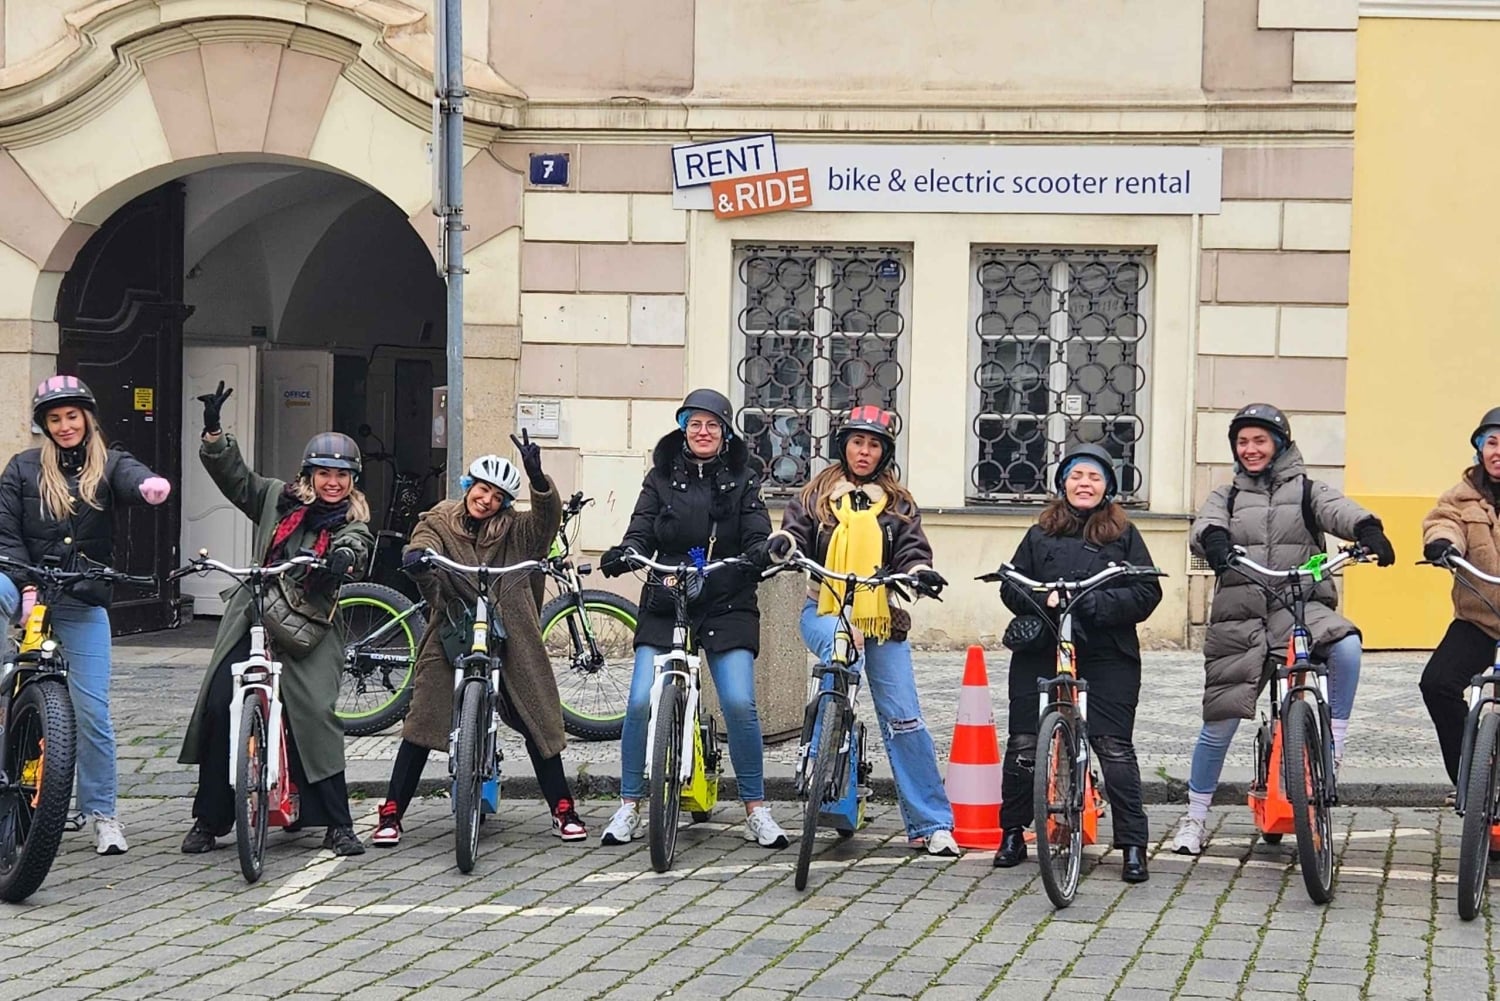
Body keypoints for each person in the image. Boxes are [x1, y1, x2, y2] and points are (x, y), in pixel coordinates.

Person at [1172, 403, 1395, 856]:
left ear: (1280, 443)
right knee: (1221, 720)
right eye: (1242, 442)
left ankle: (1333, 741)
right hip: (1241, 615)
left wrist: (1368, 529)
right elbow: (1205, 526)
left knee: (1347, 646)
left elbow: (1339, 510)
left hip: (1302, 606)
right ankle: (1194, 818)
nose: (1250, 449)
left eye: (1259, 440)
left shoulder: (1309, 490)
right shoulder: (1227, 495)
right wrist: (1214, 541)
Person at [178, 382, 371, 857]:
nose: (333, 483)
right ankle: (210, 819)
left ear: (352, 482)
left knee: (316, 710)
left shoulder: (352, 519)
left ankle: (338, 824)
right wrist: (214, 432)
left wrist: (343, 559)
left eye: (342, 476)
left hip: (311, 625)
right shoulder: (275, 498)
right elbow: (235, 478)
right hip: (256, 613)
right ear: (309, 474)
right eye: (324, 473)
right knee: (223, 698)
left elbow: (358, 546)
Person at [370, 436, 587, 846]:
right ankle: (392, 812)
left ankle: (563, 808)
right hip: (454, 626)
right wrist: (417, 560)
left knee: (538, 715)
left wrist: (538, 478)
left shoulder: (518, 530)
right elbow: (423, 543)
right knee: (423, 716)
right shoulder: (440, 518)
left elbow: (547, 519)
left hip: (512, 633)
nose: (486, 500)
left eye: (497, 496)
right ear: (469, 486)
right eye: (482, 489)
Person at [767, 405, 961, 858]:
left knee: (904, 716)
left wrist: (920, 572)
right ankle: (823, 776)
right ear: (844, 445)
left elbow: (913, 550)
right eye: (857, 442)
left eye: (874, 444)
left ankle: (931, 823)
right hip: (823, 608)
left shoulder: (899, 504)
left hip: (880, 618)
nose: (864, 451)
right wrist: (784, 545)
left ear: (884, 452)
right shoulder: (814, 495)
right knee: (841, 654)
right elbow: (793, 533)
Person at [597, 388, 788, 849]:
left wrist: (760, 553)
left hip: (727, 595)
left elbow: (757, 530)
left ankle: (756, 808)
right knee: (641, 700)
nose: (703, 432)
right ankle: (629, 805)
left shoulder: (745, 477)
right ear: (684, 428)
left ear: (724, 433)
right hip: (669, 592)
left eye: (713, 425)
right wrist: (628, 553)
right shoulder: (660, 476)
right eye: (694, 423)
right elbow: (641, 528)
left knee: (740, 703)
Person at [0, 375, 172, 855]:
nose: (64, 425)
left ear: (86, 418)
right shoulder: (22, 468)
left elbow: (131, 476)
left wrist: (149, 486)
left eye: (71, 416)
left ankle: (101, 814)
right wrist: (25, 587)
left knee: (93, 712)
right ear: (44, 425)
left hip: (80, 596)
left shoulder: (107, 462)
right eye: (54, 419)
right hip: (24, 587)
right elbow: (6, 534)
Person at [988, 444, 1162, 881]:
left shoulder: (1124, 534)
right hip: (1043, 647)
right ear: (1063, 483)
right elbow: (1011, 586)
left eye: (1095, 477)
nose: (1085, 484)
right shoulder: (1040, 533)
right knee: (1025, 742)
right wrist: (1042, 596)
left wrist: (1092, 604)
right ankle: (1012, 831)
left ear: (1108, 488)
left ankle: (1133, 845)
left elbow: (1146, 593)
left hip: (1106, 652)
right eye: (1077, 475)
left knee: (1114, 746)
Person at [1420, 408, 1500, 796]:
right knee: (1437, 683)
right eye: (1492, 442)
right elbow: (1444, 520)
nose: (1498, 451)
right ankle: (1469, 779)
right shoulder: (1461, 495)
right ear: (1479, 449)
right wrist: (1443, 545)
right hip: (1480, 617)